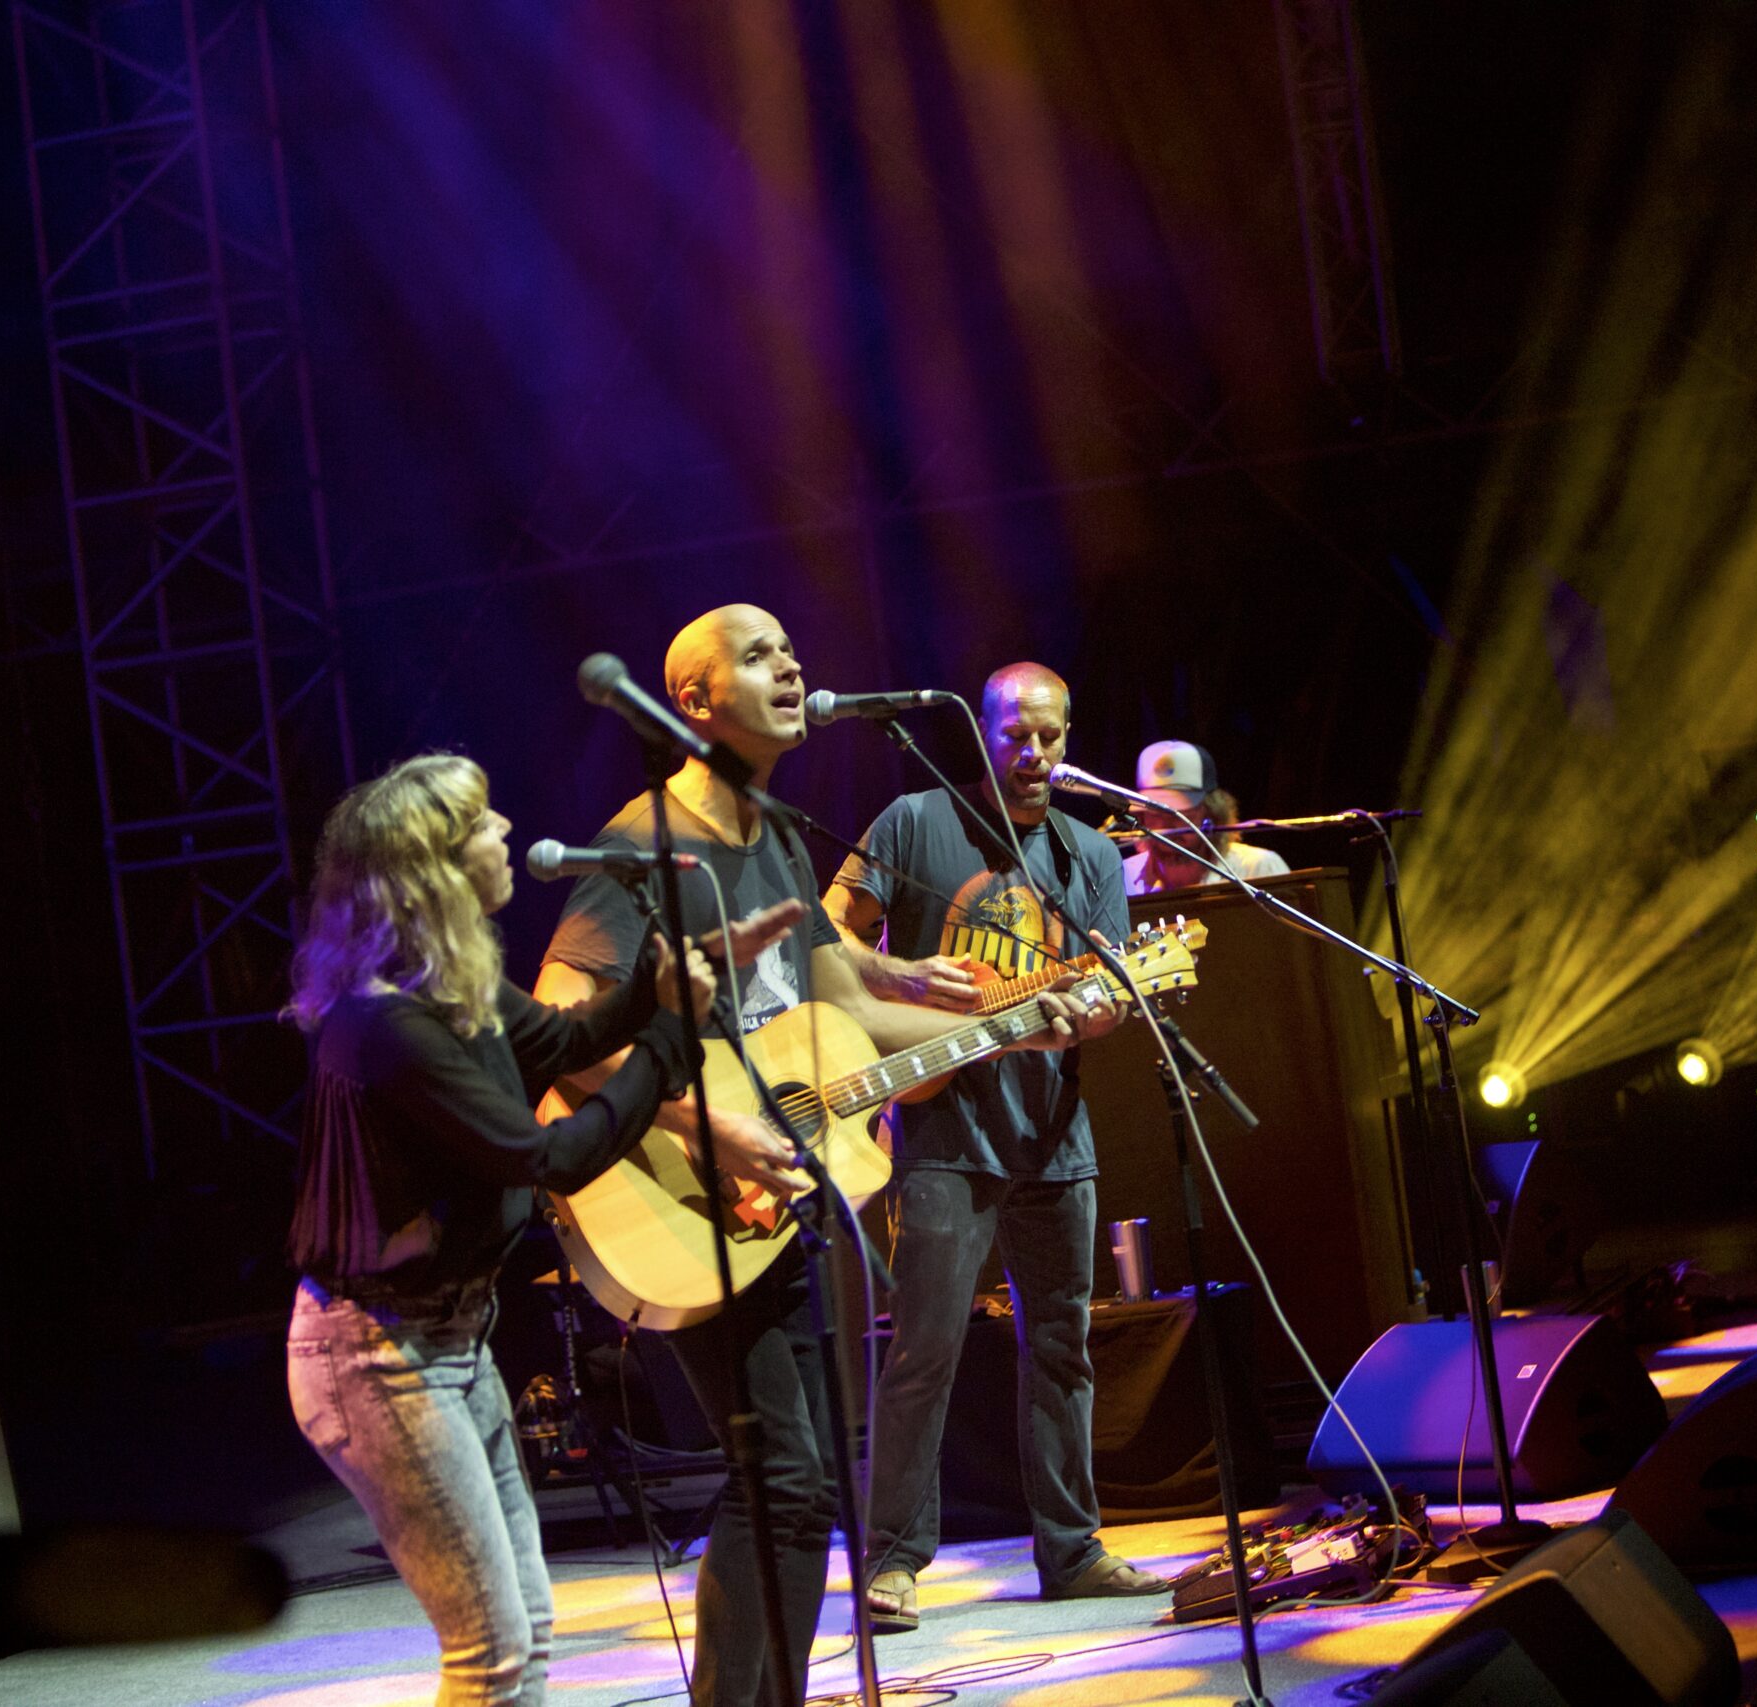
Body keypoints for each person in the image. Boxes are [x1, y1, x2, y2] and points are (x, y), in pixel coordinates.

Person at [532, 607, 1103, 1707]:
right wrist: (708, 1127)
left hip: (779, 1201)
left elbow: (845, 1006)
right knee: (782, 1475)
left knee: (799, 1489)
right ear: (693, 700)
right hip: (688, 1196)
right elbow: (558, 1022)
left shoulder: (780, 838)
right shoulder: (653, 842)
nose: (792, 667)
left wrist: (1014, 1023)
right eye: (759, 656)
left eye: (794, 651)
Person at [281, 751, 783, 1707]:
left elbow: (565, 1039)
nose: (505, 829)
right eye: (481, 823)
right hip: (378, 1358)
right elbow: (546, 1154)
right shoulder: (389, 1026)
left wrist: (665, 982)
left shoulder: (445, 985)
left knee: (526, 1631)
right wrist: (670, 1036)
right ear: (434, 865)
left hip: (445, 1344)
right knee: (493, 1650)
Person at [825, 662, 1161, 1635]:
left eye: (1051, 736)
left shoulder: (1089, 853)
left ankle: (1073, 1550)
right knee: (922, 1350)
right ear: (981, 735)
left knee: (1062, 1348)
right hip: (941, 1132)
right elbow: (825, 935)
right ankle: (892, 1562)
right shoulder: (912, 822)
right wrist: (901, 981)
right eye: (1017, 735)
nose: (1036, 753)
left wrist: (1082, 1020)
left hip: (1053, 1136)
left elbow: (1109, 996)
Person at [1118, 739, 1291, 896]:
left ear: (1211, 813)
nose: (1166, 825)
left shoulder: (1259, 868)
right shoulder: (1121, 878)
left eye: (1180, 813)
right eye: (1155, 814)